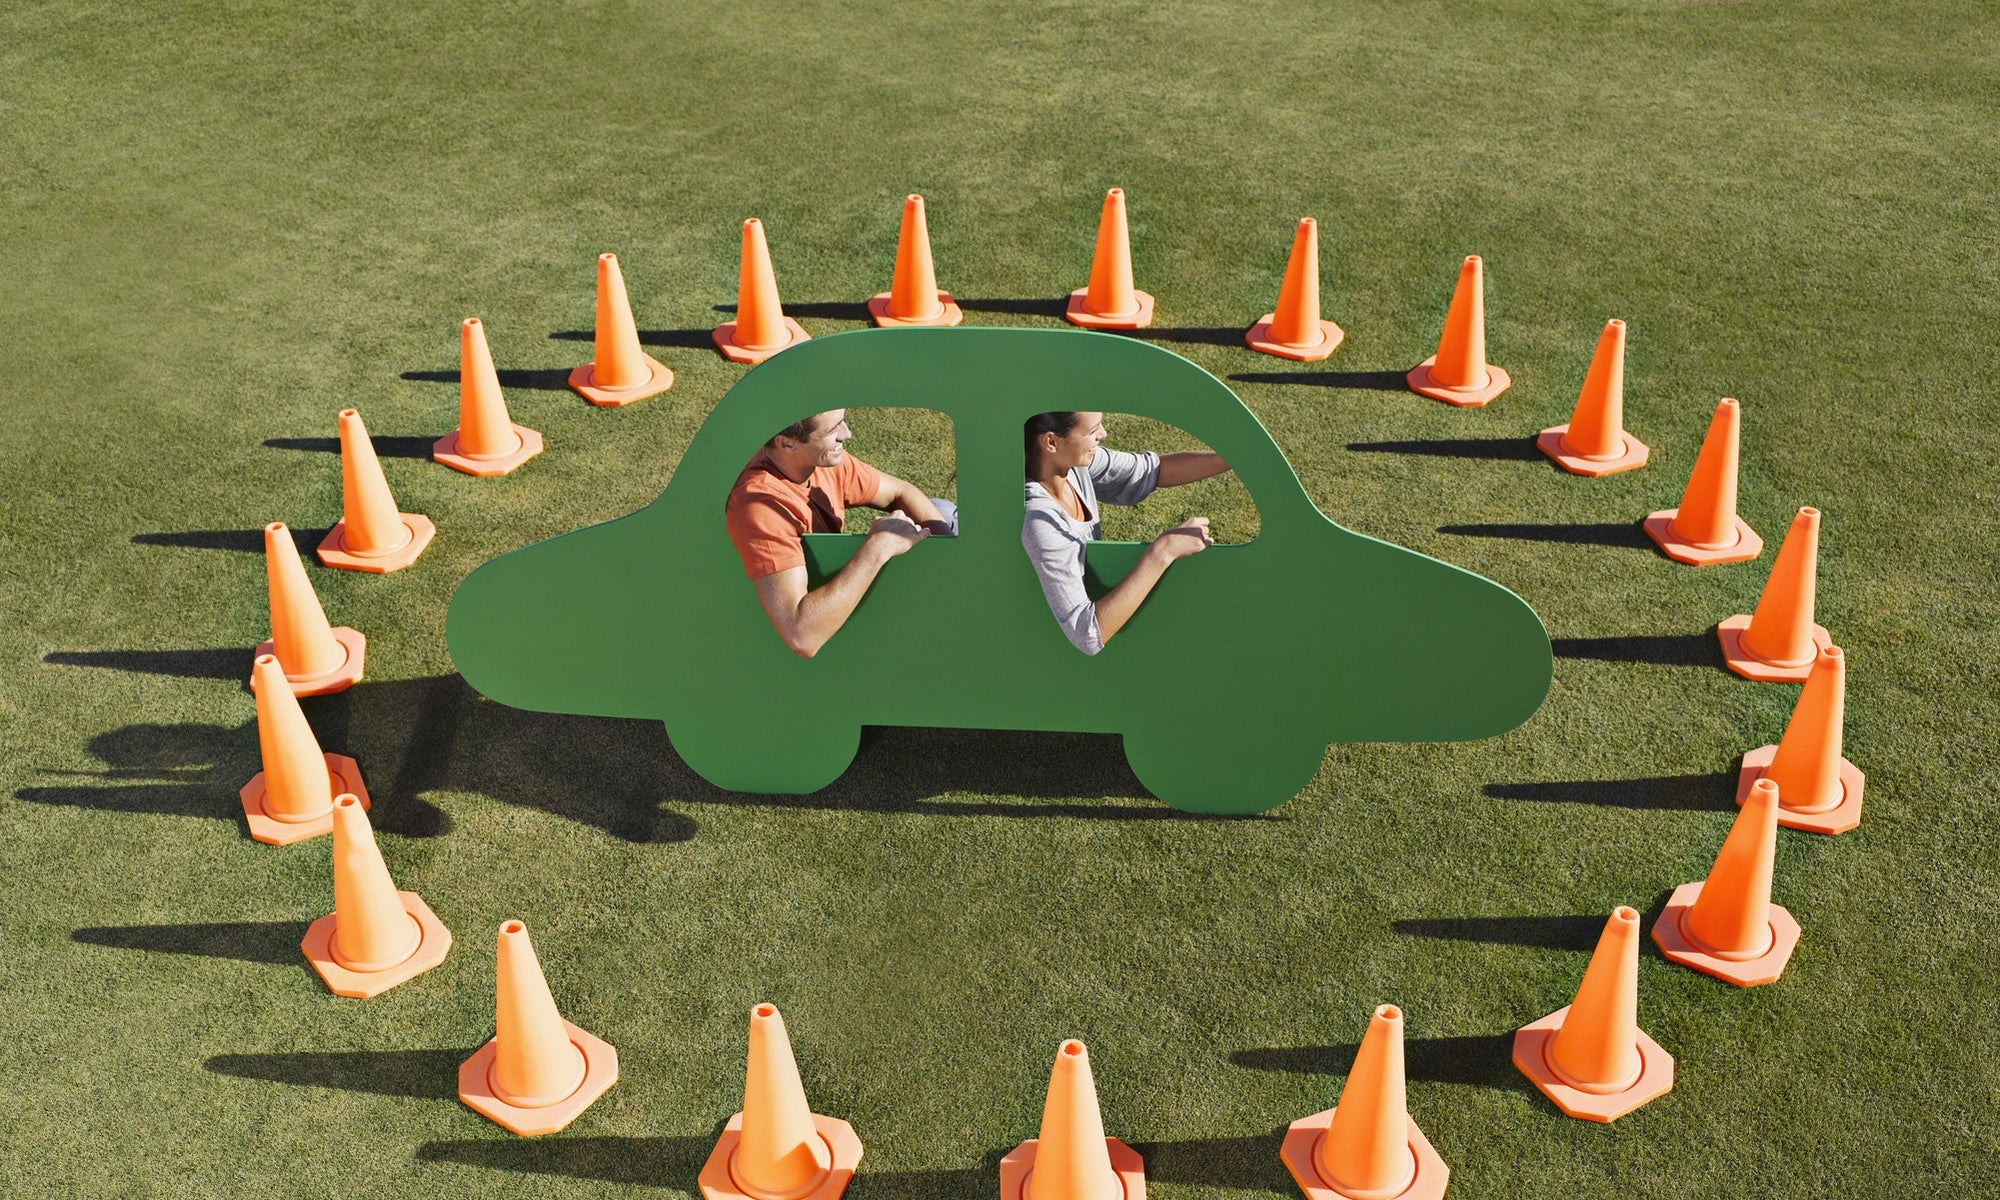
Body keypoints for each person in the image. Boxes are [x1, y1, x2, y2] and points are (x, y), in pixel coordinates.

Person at [726, 409, 955, 658]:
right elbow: (801, 637)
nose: (846, 434)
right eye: (832, 430)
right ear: (787, 443)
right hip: (778, 646)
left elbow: (901, 491)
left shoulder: (817, 460)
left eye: (842, 422)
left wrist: (951, 553)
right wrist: (878, 547)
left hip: (826, 593)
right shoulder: (761, 506)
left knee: (942, 510)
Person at [1022, 411, 1231, 655]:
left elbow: (1150, 471)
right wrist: (1162, 551)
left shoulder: (1071, 466)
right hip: (1041, 653)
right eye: (1093, 431)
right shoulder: (1039, 520)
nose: (1104, 434)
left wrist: (1229, 460)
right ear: (1051, 441)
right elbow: (1086, 634)